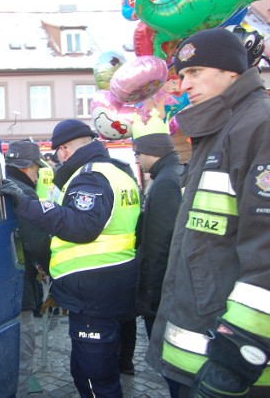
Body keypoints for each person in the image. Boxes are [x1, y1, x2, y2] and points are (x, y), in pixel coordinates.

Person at [145, 27, 270, 398]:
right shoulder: (220, 128)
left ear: (232, 71)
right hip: (198, 355)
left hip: (231, 364)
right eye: (181, 75)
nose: (183, 85)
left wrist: (238, 353)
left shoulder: (258, 127)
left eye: (195, 72)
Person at [0, 119, 141, 397]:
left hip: (93, 290)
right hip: (110, 283)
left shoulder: (90, 176)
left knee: (93, 377)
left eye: (61, 150)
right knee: (92, 370)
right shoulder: (118, 172)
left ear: (69, 148)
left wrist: (27, 205)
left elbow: (81, 226)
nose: (59, 157)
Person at [117, 126, 183, 376]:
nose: (137, 160)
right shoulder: (173, 174)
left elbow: (158, 244)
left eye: (138, 154)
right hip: (172, 283)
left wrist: (150, 294)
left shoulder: (165, 182)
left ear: (151, 152)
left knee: (168, 360)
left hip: (163, 288)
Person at [4, 140, 51, 397]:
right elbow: (38, 244)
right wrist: (50, 271)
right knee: (22, 359)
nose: (36, 175)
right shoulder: (25, 194)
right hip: (20, 292)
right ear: (28, 167)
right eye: (36, 169)